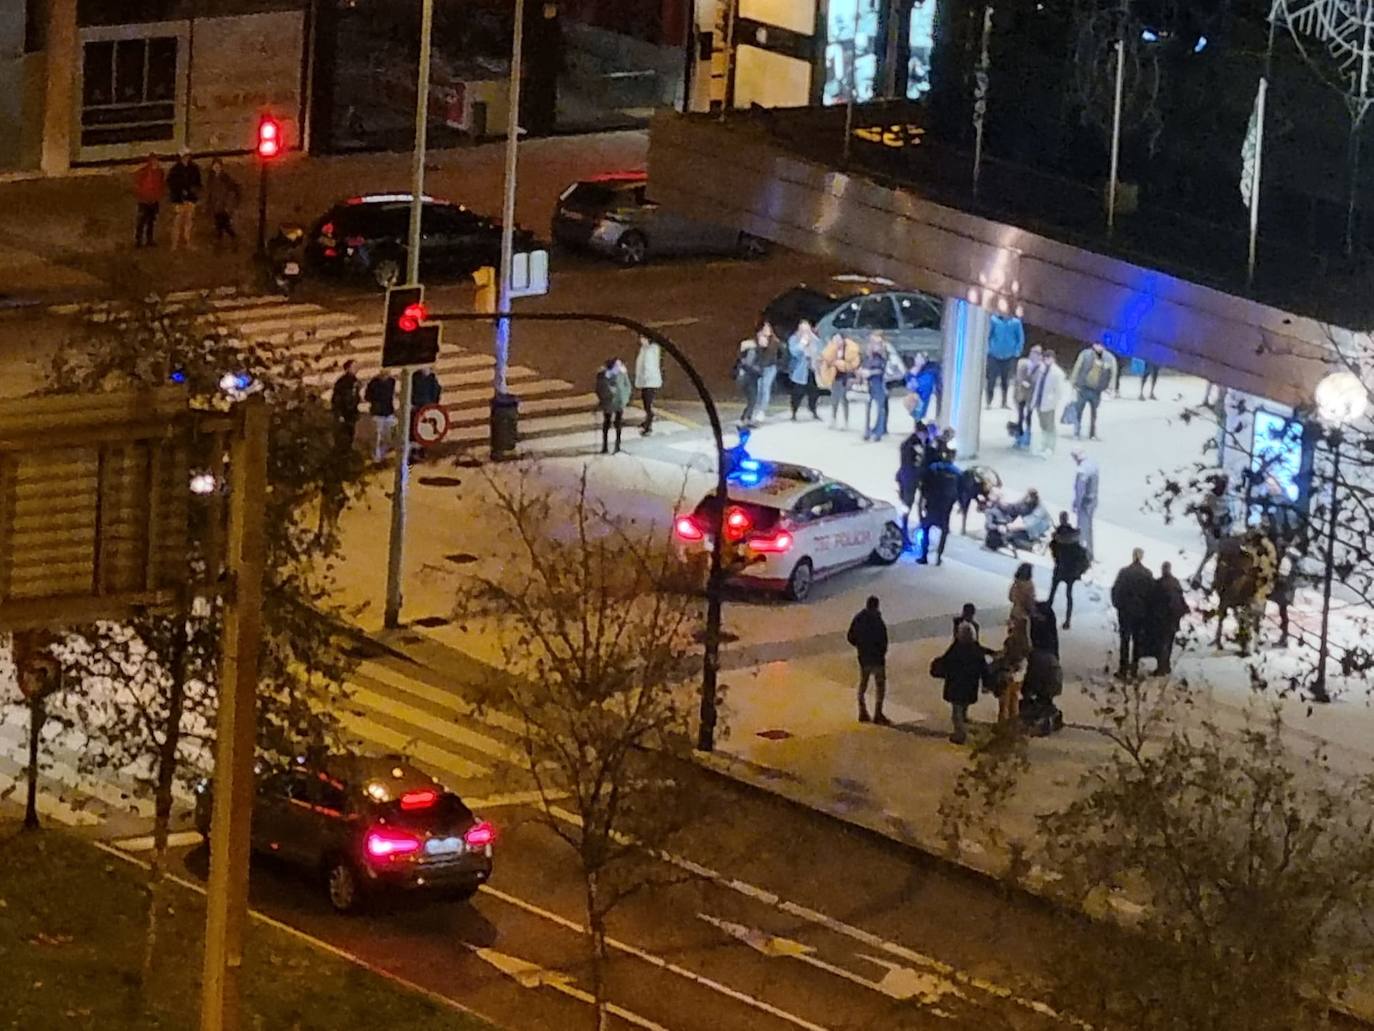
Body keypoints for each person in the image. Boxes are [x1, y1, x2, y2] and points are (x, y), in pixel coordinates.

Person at [934, 622, 988, 744]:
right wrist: (987, 683)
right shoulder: (976, 650)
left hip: (956, 685)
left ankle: (960, 734)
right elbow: (984, 668)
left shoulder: (956, 649)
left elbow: (946, 662)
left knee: (956, 711)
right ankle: (963, 724)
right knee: (963, 706)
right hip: (970, 685)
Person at [1111, 548, 1154, 677]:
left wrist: (1118, 605)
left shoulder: (1124, 572)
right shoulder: (1147, 574)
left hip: (1125, 612)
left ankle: (1123, 668)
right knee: (1137, 641)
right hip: (1141, 613)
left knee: (1124, 640)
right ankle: (1134, 668)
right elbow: (1152, 594)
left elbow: (1116, 590)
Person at [847, 596, 890, 725]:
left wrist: (860, 646)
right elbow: (883, 640)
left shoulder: (858, 619)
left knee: (863, 684)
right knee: (880, 686)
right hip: (877, 659)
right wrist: (882, 653)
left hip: (864, 658)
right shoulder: (877, 620)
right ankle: (878, 713)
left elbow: (850, 637)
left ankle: (862, 711)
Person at [1190, 474, 1235, 588]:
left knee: (1213, 558)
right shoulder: (1211, 498)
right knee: (1210, 557)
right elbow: (1205, 513)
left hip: (1218, 534)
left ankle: (1206, 579)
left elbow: (1230, 519)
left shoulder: (1227, 500)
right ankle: (1200, 578)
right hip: (1213, 532)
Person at [1048, 512, 1089, 630]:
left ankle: (1046, 614)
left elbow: (1053, 549)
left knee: (1052, 593)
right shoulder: (1073, 534)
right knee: (1069, 596)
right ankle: (1067, 620)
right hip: (1071, 571)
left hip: (1060, 568)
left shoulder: (1058, 535)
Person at [1069, 341, 1117, 441]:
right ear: (1093, 345)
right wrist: (1073, 382)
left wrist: (1110, 388)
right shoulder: (1085, 354)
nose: (1099, 347)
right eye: (1098, 345)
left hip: (1097, 390)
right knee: (1079, 411)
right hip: (1083, 387)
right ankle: (1076, 432)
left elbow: (1113, 373)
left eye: (1102, 345)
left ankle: (1092, 433)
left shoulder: (1109, 358)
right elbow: (1077, 367)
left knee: (1094, 413)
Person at [918, 452, 959, 564]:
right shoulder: (957, 472)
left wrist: (923, 501)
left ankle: (924, 556)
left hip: (932, 505)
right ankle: (938, 558)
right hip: (945, 508)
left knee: (926, 529)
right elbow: (959, 490)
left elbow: (924, 485)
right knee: (944, 532)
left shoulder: (933, 468)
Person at [1151, 560, 1189, 675]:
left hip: (1162, 618)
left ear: (1163, 570)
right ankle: (1166, 665)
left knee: (1161, 643)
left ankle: (1161, 667)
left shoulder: (1159, 583)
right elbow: (1181, 600)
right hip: (1174, 618)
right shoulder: (1176, 582)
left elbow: (1153, 600)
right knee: (1169, 642)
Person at [818, 333, 861, 428]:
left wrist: (841, 364)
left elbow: (854, 364)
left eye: (839, 340)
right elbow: (825, 359)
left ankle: (846, 422)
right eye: (835, 340)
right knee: (834, 399)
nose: (837, 342)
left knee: (844, 399)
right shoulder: (831, 350)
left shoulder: (850, 349)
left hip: (846, 376)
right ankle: (833, 419)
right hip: (834, 376)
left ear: (843, 340)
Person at [1029, 349, 1065, 457]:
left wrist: (1053, 402)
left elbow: (1059, 391)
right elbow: (1038, 387)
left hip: (1049, 403)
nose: (1046, 361)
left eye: (1049, 358)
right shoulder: (1042, 369)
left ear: (1053, 359)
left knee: (1050, 426)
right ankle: (1044, 445)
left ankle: (1050, 447)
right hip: (1040, 401)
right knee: (1042, 425)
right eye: (1045, 358)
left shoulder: (1057, 373)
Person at [985, 313, 1025, 408]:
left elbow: (1020, 337)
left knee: (1006, 380)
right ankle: (989, 402)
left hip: (1008, 356)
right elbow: (989, 335)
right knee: (991, 380)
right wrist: (990, 348)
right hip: (994, 355)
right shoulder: (994, 320)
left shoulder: (1016, 322)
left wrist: (1017, 351)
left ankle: (1004, 402)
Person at [166, 147, 203, 251]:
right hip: (178, 200)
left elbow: (198, 184)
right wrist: (179, 191)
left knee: (189, 222)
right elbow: (171, 184)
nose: (186, 158)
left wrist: (194, 191)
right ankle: (174, 244)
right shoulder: (175, 170)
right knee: (177, 222)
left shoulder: (194, 169)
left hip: (191, 199)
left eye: (188, 156)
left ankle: (188, 242)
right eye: (184, 156)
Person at [786, 319, 823, 420]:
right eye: (803, 330)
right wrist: (802, 343)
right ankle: (794, 412)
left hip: (812, 369)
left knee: (814, 392)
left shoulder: (815, 339)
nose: (805, 332)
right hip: (799, 371)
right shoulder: (794, 339)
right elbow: (794, 352)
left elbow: (820, 350)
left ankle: (813, 410)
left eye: (807, 330)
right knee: (797, 393)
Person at [596, 357, 632, 454]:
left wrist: (624, 399)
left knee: (618, 423)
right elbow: (599, 388)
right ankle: (605, 446)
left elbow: (627, 386)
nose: (620, 367)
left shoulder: (622, 373)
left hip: (619, 402)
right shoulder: (603, 375)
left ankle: (617, 445)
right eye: (618, 365)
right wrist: (605, 397)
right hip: (608, 402)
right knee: (607, 423)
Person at [1071, 448, 1100, 559]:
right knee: (1089, 528)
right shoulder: (1093, 465)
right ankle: (1090, 551)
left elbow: (1080, 490)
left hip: (1085, 503)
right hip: (1093, 501)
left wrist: (1076, 503)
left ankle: (1084, 554)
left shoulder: (1082, 470)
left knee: (1082, 528)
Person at [1011, 344, 1042, 447]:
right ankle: (1019, 435)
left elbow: (1037, 381)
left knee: (1029, 415)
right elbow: (1019, 377)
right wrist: (1022, 382)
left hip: (1031, 395)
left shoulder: (1040, 366)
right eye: (1033, 353)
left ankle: (1028, 436)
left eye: (1036, 354)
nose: (1034, 356)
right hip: (1021, 393)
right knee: (1020, 415)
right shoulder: (1023, 363)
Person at [363, 370, 397, 462]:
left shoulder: (392, 381)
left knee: (389, 436)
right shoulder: (373, 383)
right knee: (377, 437)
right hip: (377, 413)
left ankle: (382, 453)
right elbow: (367, 397)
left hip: (388, 412)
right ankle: (376, 456)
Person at [1271, 537, 1299, 648]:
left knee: (1283, 614)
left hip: (1284, 591)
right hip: (1288, 590)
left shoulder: (1285, 560)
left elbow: (1282, 578)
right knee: (1283, 613)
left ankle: (1284, 638)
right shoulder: (1290, 559)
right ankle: (1284, 637)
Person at [205, 158, 240, 246]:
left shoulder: (225, 177)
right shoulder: (211, 177)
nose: (216, 167)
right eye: (215, 166)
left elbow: (234, 188)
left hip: (223, 204)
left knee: (223, 223)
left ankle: (228, 238)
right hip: (216, 204)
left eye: (218, 166)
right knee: (220, 223)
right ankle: (225, 239)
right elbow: (210, 191)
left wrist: (230, 202)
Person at [133, 153, 165, 248]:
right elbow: (137, 185)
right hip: (144, 200)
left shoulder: (159, 172)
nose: (155, 162)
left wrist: (158, 195)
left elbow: (161, 184)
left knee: (151, 221)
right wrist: (141, 195)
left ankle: (149, 239)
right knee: (141, 221)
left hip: (154, 200)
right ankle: (138, 241)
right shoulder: (144, 172)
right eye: (153, 160)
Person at [896, 430, 921, 549]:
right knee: (906, 507)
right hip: (909, 481)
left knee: (905, 507)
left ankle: (904, 532)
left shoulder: (907, 444)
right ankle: (904, 535)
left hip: (904, 478)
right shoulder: (914, 446)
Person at [861, 336, 889, 442]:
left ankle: (878, 432)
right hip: (868, 384)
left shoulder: (883, 356)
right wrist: (862, 372)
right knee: (868, 408)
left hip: (879, 383)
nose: (875, 346)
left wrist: (870, 372)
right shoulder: (869, 356)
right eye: (873, 343)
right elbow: (864, 365)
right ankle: (867, 431)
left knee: (880, 409)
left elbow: (883, 370)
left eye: (877, 344)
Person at [1006, 562, 1036, 664]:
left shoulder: (1016, 583)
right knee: (1024, 639)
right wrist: (1034, 613)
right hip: (1023, 615)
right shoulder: (1029, 586)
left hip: (1014, 613)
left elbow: (1010, 597)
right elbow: (1030, 602)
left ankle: (1012, 654)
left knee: (1013, 635)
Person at [330, 360, 361, 455]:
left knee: (351, 433)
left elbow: (356, 396)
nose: (356, 369)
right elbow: (337, 399)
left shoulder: (355, 381)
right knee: (343, 434)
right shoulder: (341, 382)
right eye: (353, 367)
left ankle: (348, 452)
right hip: (344, 412)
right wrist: (339, 413)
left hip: (352, 412)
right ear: (347, 368)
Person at [633, 335, 662, 436]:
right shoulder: (647, 349)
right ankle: (647, 421)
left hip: (649, 382)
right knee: (646, 403)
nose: (640, 340)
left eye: (642, 338)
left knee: (648, 405)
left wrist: (644, 380)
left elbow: (648, 367)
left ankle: (648, 428)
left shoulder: (649, 351)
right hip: (648, 382)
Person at [734, 329, 763, 428]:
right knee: (752, 399)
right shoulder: (753, 350)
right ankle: (744, 420)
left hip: (748, 377)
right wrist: (759, 371)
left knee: (752, 399)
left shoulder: (753, 349)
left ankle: (747, 419)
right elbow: (748, 364)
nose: (766, 341)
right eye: (764, 339)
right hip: (749, 378)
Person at [754, 323, 781, 421]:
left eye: (768, 329)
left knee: (765, 387)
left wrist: (765, 346)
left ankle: (762, 410)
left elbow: (774, 354)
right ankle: (756, 409)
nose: (766, 331)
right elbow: (756, 355)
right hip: (760, 368)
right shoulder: (757, 341)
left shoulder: (774, 342)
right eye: (764, 329)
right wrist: (759, 345)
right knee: (758, 388)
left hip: (770, 367)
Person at [904, 353, 941, 421]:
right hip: (923, 399)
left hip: (927, 399)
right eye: (917, 358)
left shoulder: (929, 372)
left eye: (920, 358)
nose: (917, 360)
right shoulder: (912, 375)